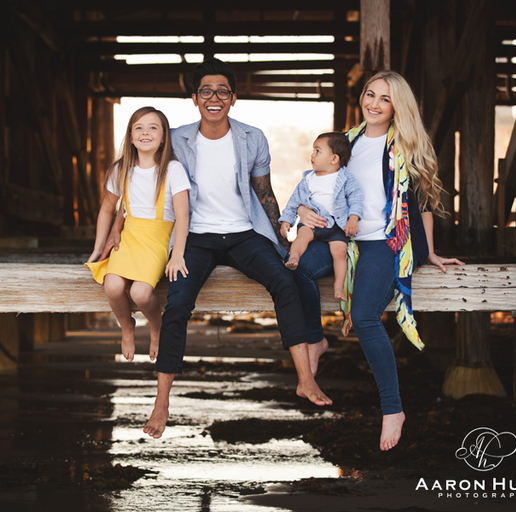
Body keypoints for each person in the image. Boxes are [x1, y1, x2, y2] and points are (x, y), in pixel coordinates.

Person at [139, 58, 332, 439]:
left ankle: (305, 380)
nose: (215, 97)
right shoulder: (176, 138)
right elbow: (143, 172)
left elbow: (264, 192)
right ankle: (161, 401)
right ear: (195, 98)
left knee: (284, 282)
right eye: (206, 91)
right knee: (177, 304)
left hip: (244, 233)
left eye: (222, 91)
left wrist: (283, 238)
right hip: (194, 236)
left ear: (234, 98)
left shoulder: (252, 137)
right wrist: (120, 227)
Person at [292, 70, 464, 451]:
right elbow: (319, 183)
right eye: (370, 95)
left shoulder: (404, 145)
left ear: (396, 106)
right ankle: (317, 340)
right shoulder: (347, 141)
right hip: (343, 237)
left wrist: (429, 251)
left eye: (384, 99)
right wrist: (303, 209)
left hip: (386, 242)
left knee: (367, 315)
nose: (373, 103)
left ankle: (393, 409)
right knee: (297, 269)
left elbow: (423, 205)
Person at [86, 106, 190, 363]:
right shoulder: (120, 169)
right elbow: (107, 210)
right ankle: (127, 326)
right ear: (130, 136)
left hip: (158, 239)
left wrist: (177, 255)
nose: (146, 133)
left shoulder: (173, 170)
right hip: (130, 236)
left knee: (140, 293)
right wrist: (98, 249)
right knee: (112, 285)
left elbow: (183, 216)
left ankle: (156, 326)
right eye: (138, 128)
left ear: (164, 136)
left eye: (153, 127)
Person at [279, 132, 363, 300]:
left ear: (334, 159)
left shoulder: (345, 178)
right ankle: (294, 257)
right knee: (301, 236)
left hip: (336, 226)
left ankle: (339, 285)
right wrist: (287, 220)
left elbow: (356, 198)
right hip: (314, 224)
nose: (312, 155)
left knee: (339, 253)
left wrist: (353, 218)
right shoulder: (308, 179)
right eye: (313, 150)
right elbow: (294, 201)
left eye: (318, 151)